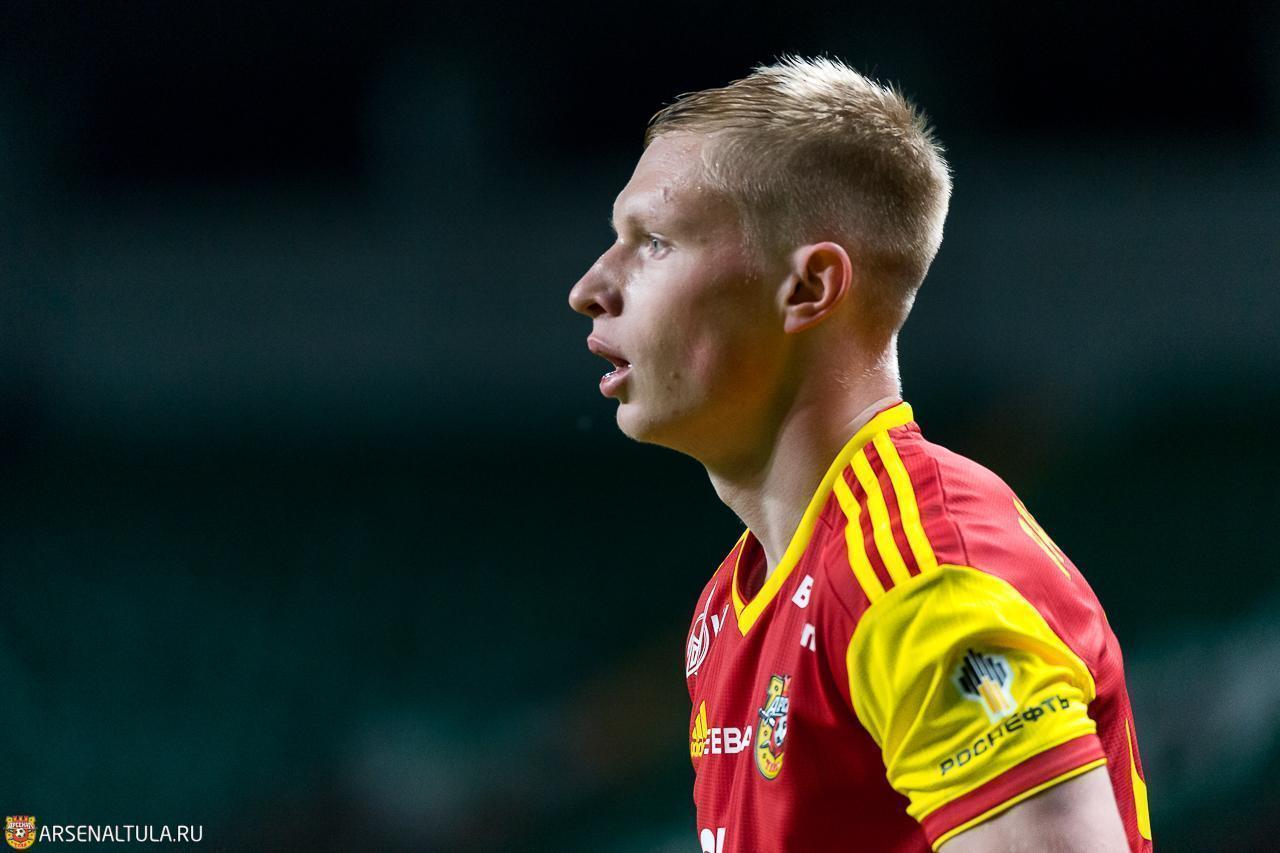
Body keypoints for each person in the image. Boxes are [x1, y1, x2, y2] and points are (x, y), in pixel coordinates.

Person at [568, 56, 1151, 852]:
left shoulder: (919, 578)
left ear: (809, 289)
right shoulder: (731, 600)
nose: (591, 286)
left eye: (655, 242)